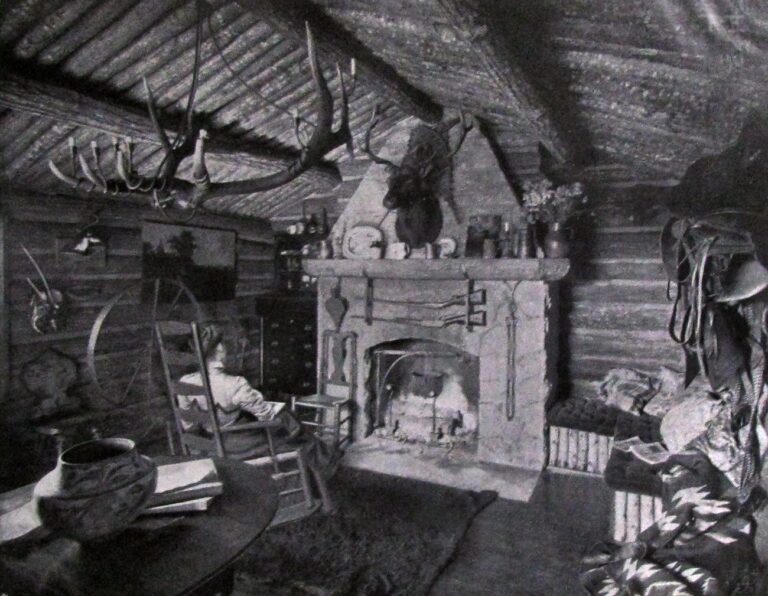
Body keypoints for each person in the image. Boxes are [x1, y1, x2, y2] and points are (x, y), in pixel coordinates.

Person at [178, 324, 297, 437]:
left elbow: (188, 424)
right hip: (233, 443)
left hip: (207, 440)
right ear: (220, 348)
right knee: (287, 419)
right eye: (224, 344)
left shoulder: (184, 381)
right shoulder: (236, 383)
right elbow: (266, 415)